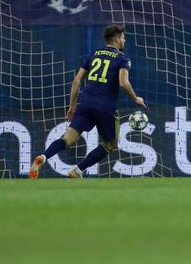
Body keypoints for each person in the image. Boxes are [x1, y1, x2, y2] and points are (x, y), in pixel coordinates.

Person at [29, 24, 146, 179]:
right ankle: (77, 170)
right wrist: (135, 98)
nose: (124, 40)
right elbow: (123, 83)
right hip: (105, 107)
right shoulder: (122, 59)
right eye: (123, 37)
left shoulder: (93, 55)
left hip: (85, 103)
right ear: (117, 39)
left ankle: (43, 157)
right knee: (111, 145)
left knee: (67, 139)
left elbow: (76, 81)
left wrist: (71, 107)